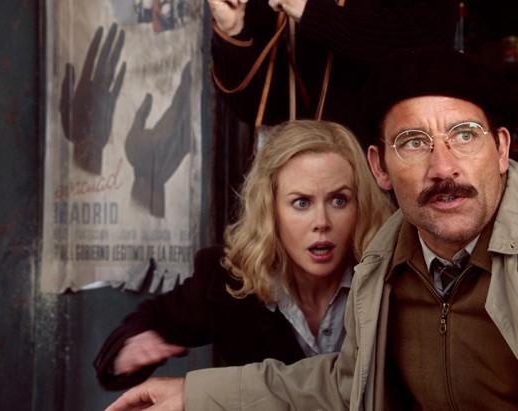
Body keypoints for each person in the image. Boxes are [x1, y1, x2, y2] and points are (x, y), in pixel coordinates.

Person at [106, 47, 518, 410]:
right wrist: (197, 396)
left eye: (465, 136)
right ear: (381, 168)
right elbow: (348, 384)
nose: (443, 167)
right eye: (413, 142)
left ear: (501, 150)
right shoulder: (384, 263)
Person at [94, 119, 393, 390]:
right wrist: (132, 345)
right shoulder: (226, 280)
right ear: (270, 209)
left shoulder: (392, 278)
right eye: (301, 202)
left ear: (360, 205)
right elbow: (148, 321)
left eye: (338, 200)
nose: (321, 222)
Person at [206, 0, 459, 147]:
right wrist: (233, 30)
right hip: (303, 184)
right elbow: (256, 109)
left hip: (386, 177)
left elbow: (425, 42)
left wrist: (309, 11)